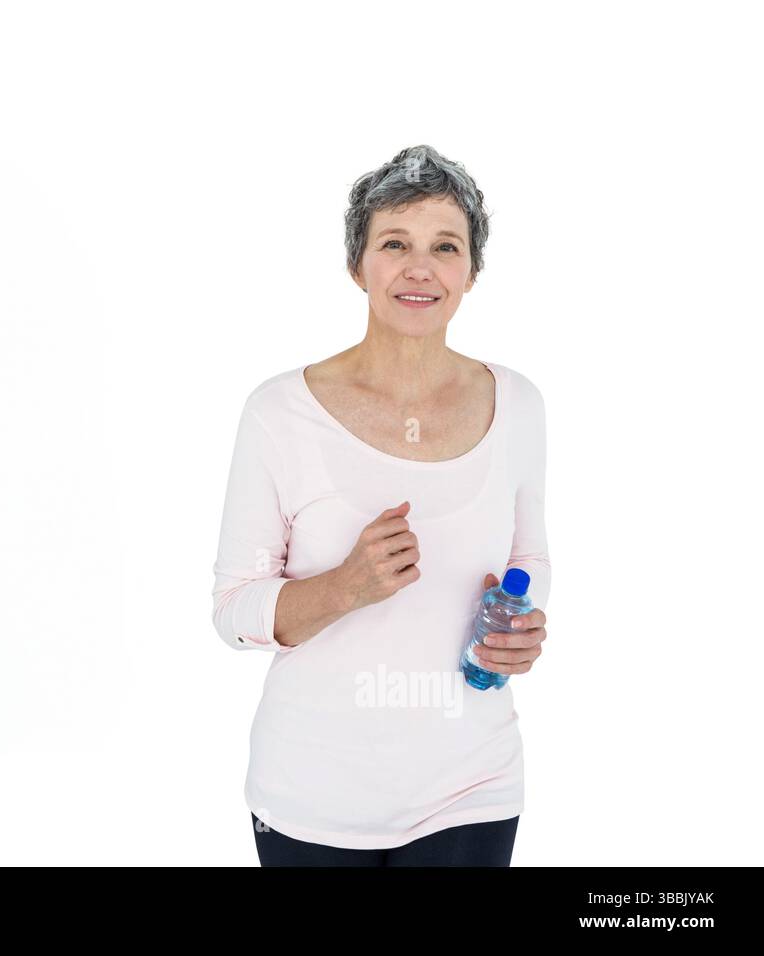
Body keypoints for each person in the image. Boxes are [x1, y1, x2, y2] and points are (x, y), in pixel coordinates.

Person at [210, 144, 551, 866]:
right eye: (394, 243)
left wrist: (520, 624)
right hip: (313, 796)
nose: (419, 267)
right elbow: (232, 613)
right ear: (357, 263)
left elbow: (527, 556)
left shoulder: (518, 404)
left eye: (445, 246)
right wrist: (344, 588)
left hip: (475, 787)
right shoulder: (279, 412)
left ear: (471, 270)